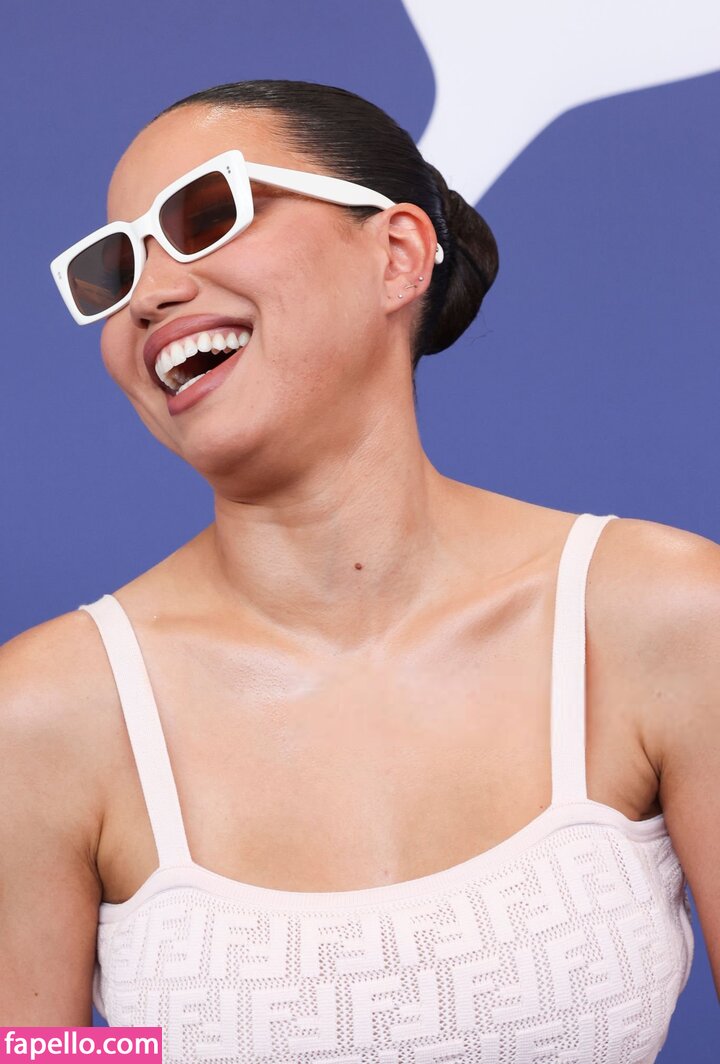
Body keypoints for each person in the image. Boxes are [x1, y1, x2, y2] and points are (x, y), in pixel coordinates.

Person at [1, 80, 717, 1061]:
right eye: (116, 270)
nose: (152, 293)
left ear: (398, 255)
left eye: (206, 216)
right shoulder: (43, 712)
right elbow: (33, 1051)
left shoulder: (661, 615)